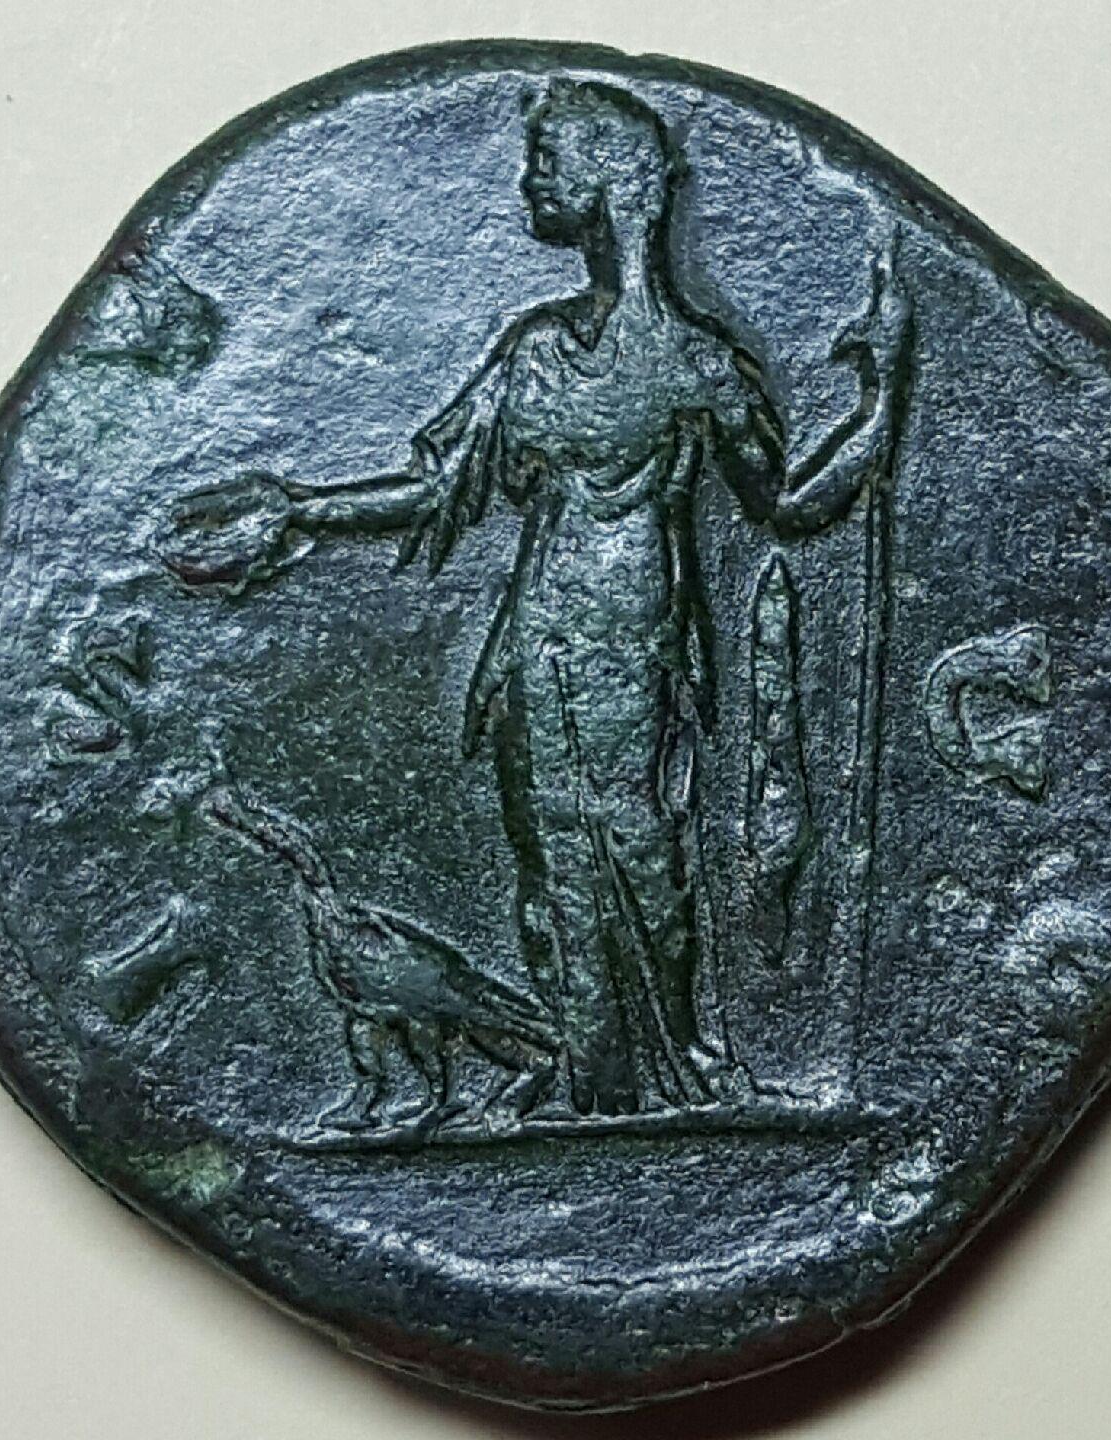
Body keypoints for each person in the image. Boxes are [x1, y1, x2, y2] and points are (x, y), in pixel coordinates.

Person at [165, 79, 913, 1117]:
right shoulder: (536, 352)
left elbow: (786, 505)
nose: (529, 182)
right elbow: (436, 489)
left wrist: (881, 398)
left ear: (606, 183)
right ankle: (581, 1066)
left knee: (641, 846)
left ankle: (672, 1066)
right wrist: (299, 511)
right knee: (546, 853)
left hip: (638, 638)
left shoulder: (697, 362)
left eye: (548, 161)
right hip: (537, 639)